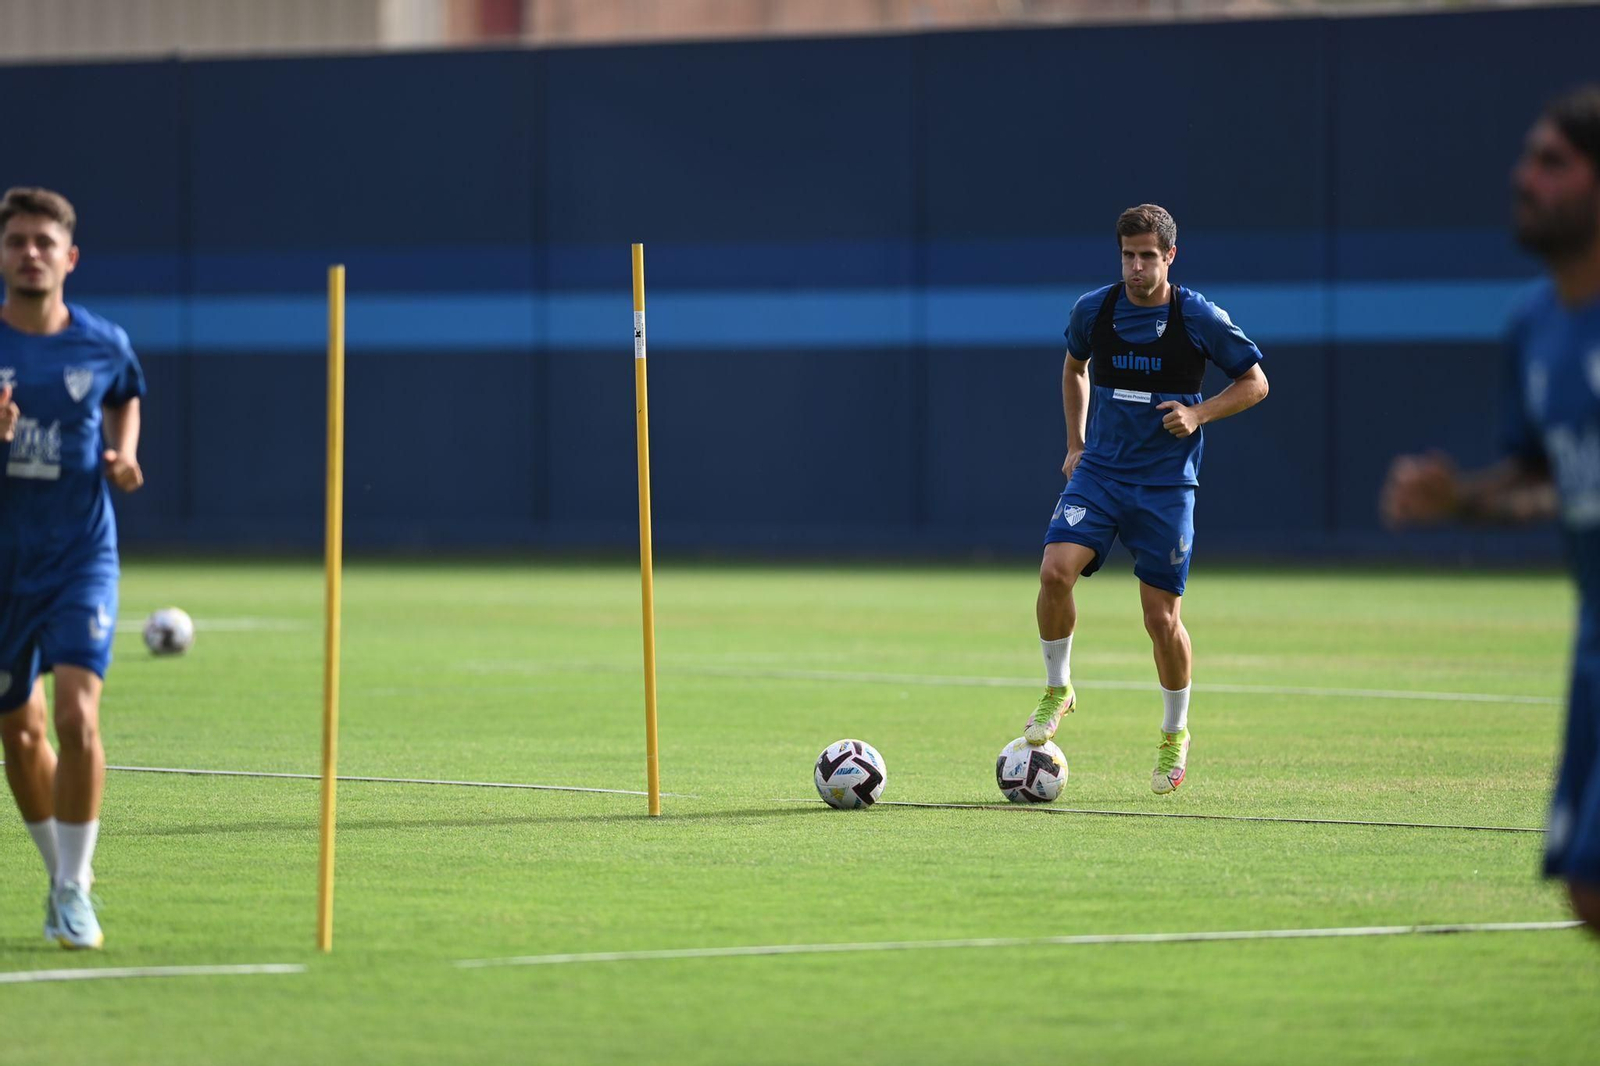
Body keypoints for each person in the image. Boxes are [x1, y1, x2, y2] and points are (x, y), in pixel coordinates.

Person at [1382, 86, 1600, 932]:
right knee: (1588, 891)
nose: (1524, 178)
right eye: (1527, 158)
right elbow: (1548, 479)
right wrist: (1459, 498)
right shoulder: (1534, 329)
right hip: (1592, 646)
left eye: (1553, 162)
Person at [1026, 204, 1269, 794]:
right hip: (1101, 473)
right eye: (1129, 256)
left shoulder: (1196, 316)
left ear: (1170, 257)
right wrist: (1075, 442)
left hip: (1165, 486)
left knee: (1161, 620)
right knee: (1055, 571)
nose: (1137, 267)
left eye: (1148, 257)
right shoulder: (1096, 310)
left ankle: (1173, 734)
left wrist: (1199, 411)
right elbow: (1073, 369)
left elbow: (1256, 382)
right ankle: (1059, 687)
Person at [0, 187, 146, 950]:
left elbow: (125, 396)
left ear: (69, 257)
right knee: (19, 735)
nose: (30, 253)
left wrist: (125, 457)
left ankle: (71, 889)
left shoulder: (103, 343)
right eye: (17, 240)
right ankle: (62, 877)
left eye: (43, 242)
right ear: (2, 255)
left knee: (75, 714)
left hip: (80, 556)